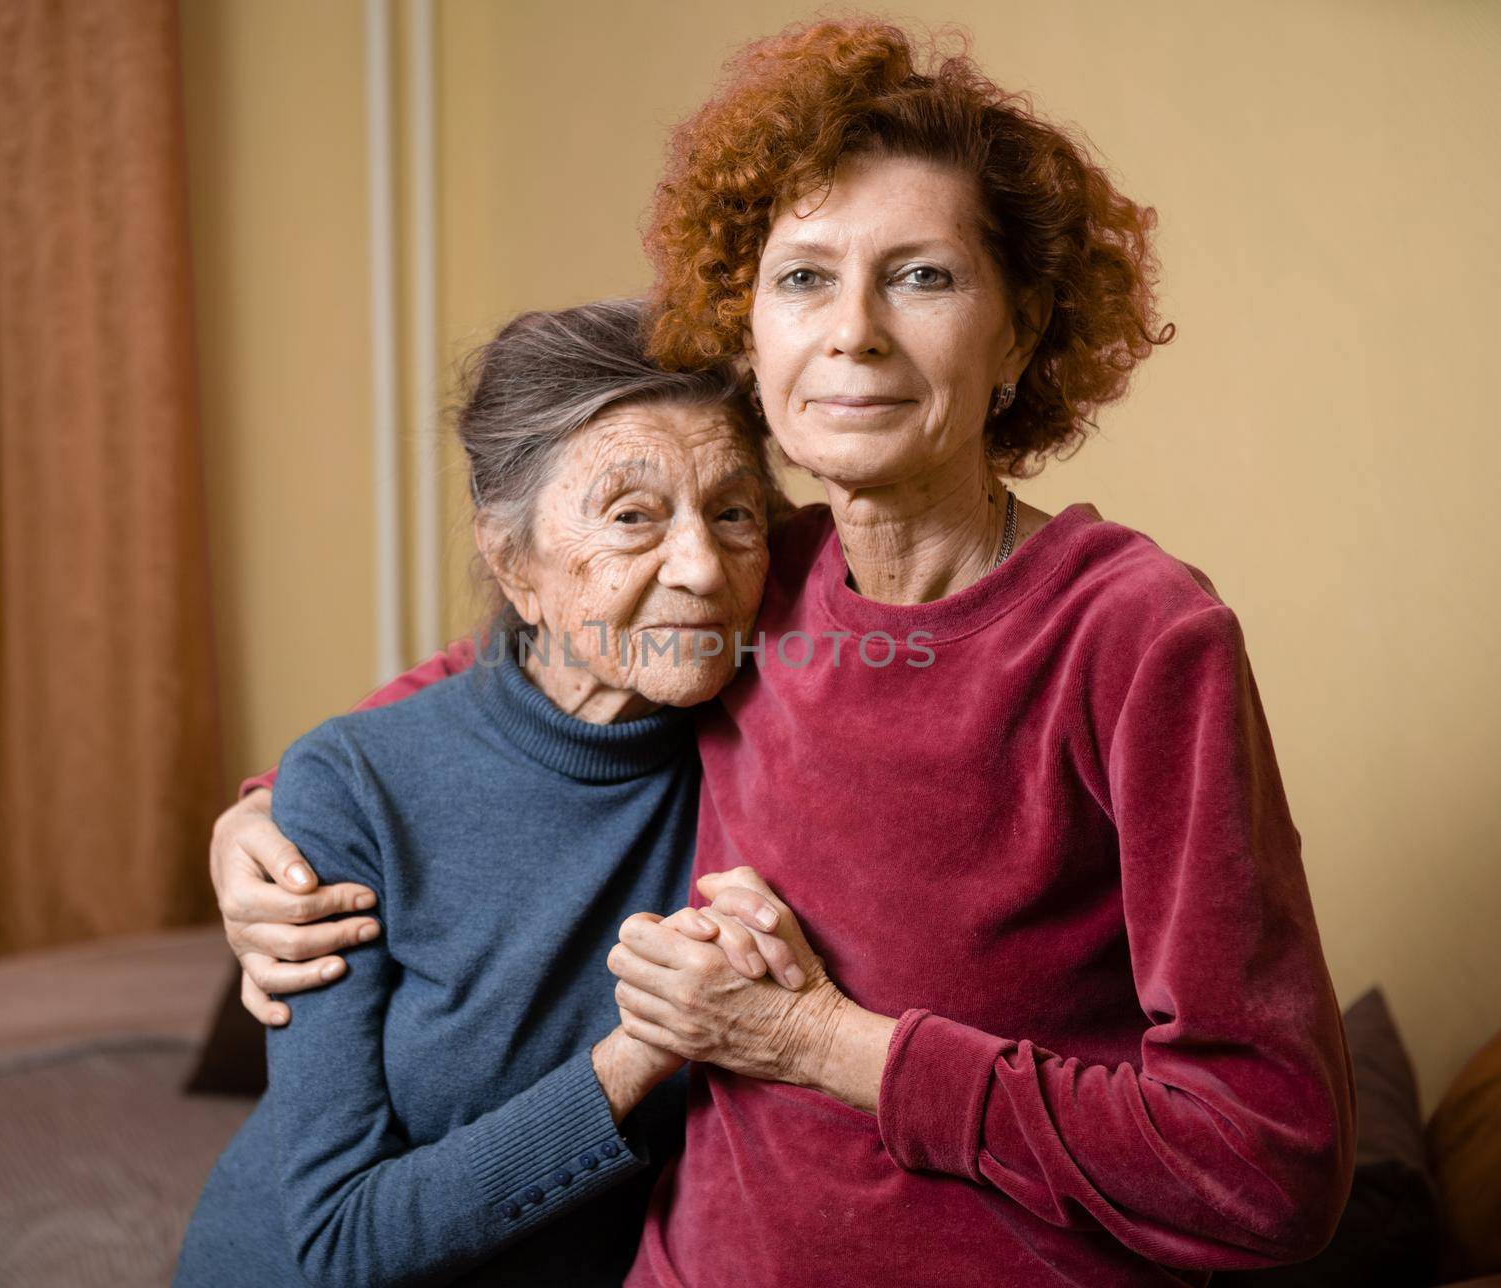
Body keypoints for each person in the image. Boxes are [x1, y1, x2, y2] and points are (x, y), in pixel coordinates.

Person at [213, 18, 1356, 1286]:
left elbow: (1267, 1163)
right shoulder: (767, 576)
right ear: (748, 335)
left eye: (921, 276)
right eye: (803, 277)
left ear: (1022, 334)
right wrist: (272, 813)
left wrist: (821, 1043)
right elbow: (536, 668)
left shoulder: (1136, 638)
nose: (852, 331)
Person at [174, 299, 800, 1288]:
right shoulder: (353, 785)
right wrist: (638, 1055)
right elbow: (339, 1241)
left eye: (733, 513)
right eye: (633, 515)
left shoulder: (775, 740)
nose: (699, 567)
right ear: (514, 562)